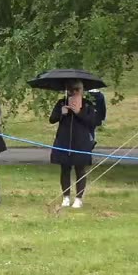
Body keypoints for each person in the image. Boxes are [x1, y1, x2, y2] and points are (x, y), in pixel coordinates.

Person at [50, 80, 100, 209]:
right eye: (71, 90)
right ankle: (66, 197)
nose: (74, 92)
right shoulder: (62, 103)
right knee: (65, 169)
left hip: (81, 141)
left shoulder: (88, 105)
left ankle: (78, 198)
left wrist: (79, 112)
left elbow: (94, 122)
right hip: (64, 140)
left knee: (80, 169)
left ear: (82, 91)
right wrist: (61, 112)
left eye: (77, 90)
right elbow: (52, 119)